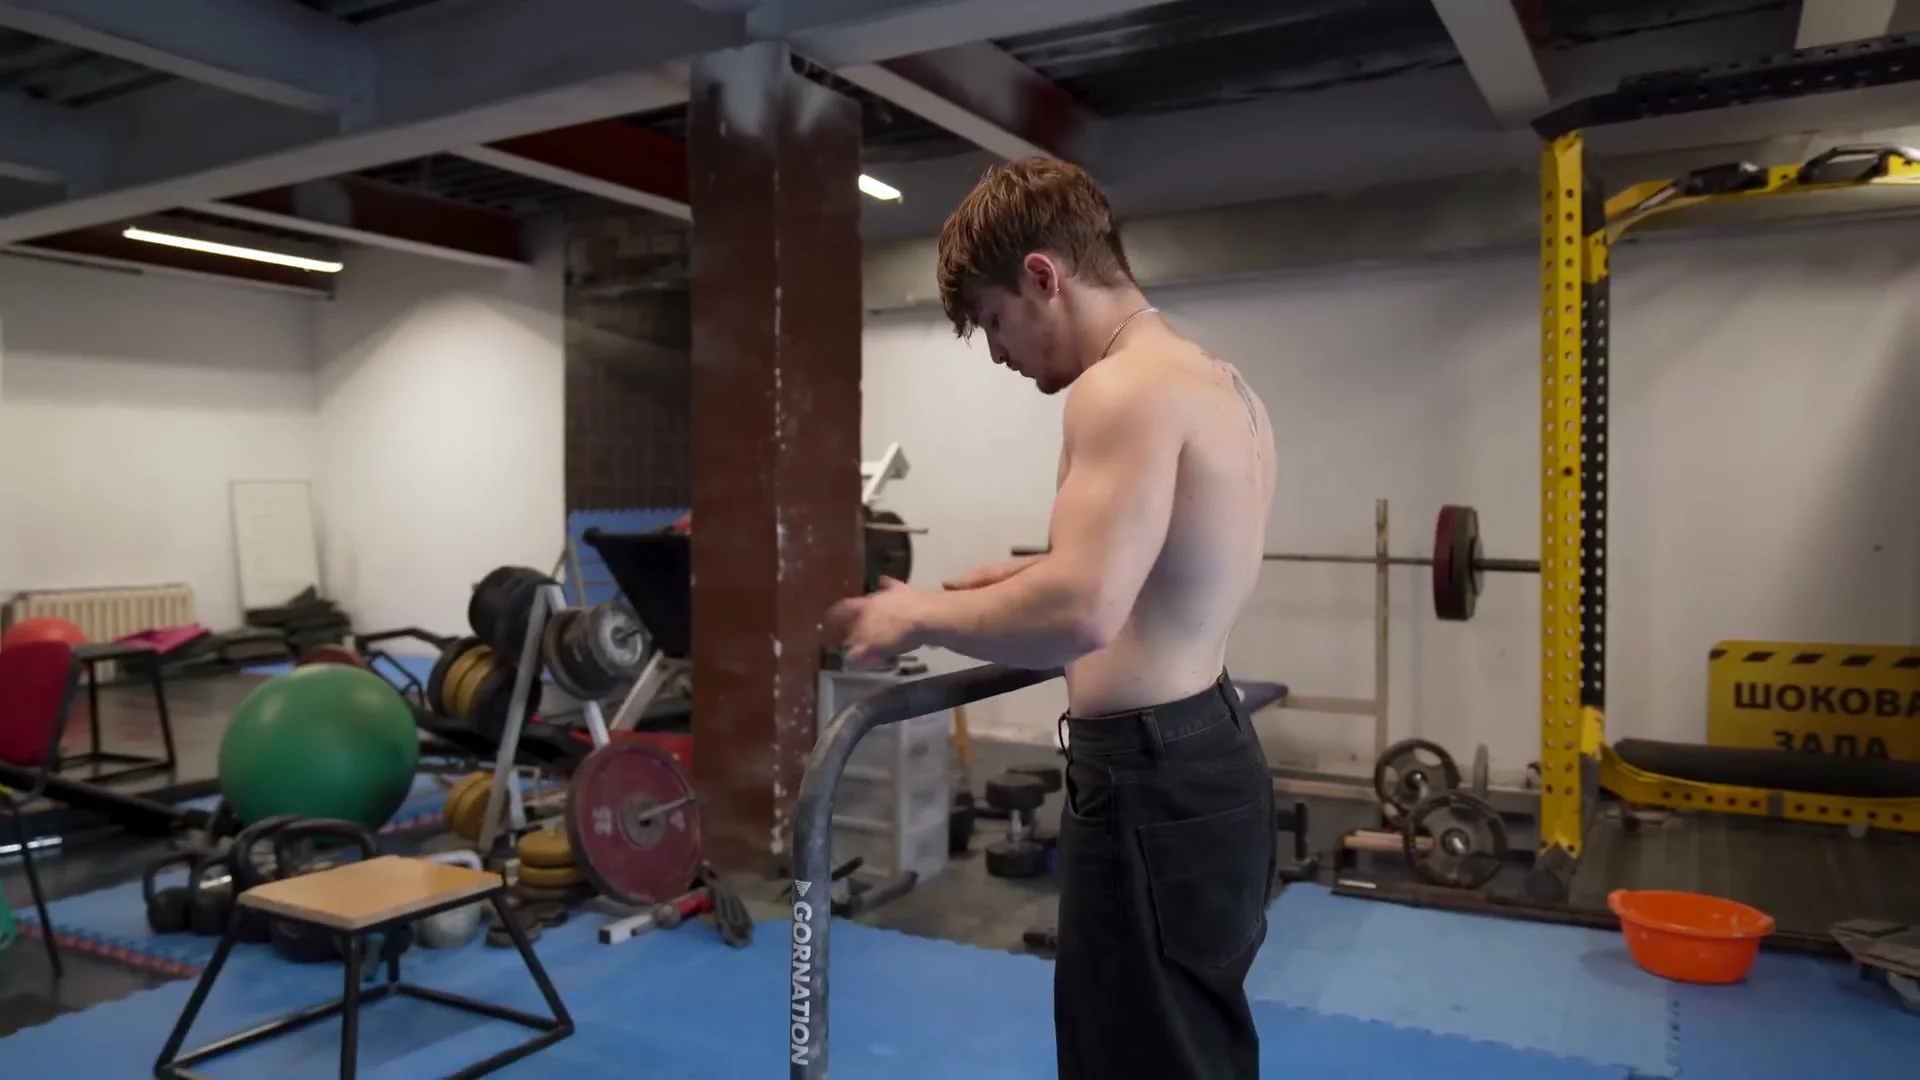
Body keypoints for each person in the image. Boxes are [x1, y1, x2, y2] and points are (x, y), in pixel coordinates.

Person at [825, 157, 1278, 1080]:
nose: (998, 354)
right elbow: (1145, 575)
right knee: (1192, 1051)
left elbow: (1084, 611)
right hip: (1212, 759)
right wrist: (1008, 586)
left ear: (1043, 276)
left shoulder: (1117, 390)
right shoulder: (1220, 384)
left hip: (1147, 785)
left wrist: (916, 615)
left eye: (995, 322)